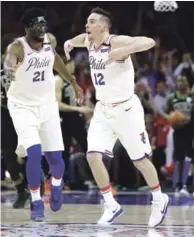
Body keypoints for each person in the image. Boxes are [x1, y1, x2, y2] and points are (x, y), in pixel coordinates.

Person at [64, 7, 170, 227]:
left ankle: (159, 198)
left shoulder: (116, 41)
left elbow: (148, 41)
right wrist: (70, 43)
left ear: (103, 25)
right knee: (92, 156)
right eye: (87, 22)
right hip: (103, 110)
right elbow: (79, 38)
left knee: (139, 160)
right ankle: (110, 204)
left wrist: (125, 50)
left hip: (126, 110)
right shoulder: (88, 40)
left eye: (91, 22)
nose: (87, 25)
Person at [4, 8, 83, 221]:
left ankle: (56, 184)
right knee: (34, 151)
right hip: (22, 106)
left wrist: (72, 82)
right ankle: (36, 201)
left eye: (43, 25)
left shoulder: (50, 40)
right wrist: (9, 69)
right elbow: (9, 60)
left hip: (47, 105)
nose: (41, 29)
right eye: (36, 26)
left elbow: (55, 59)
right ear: (28, 28)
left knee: (57, 159)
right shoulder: (18, 47)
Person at [164, 75, 194, 196]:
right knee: (179, 158)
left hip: (191, 130)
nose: (181, 83)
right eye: (179, 81)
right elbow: (167, 113)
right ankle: (179, 184)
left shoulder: (191, 98)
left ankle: (189, 184)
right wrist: (172, 120)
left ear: (187, 83)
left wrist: (187, 119)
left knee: (192, 157)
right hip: (178, 131)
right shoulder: (172, 98)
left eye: (183, 80)